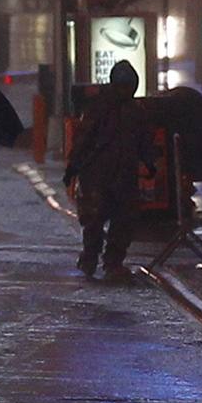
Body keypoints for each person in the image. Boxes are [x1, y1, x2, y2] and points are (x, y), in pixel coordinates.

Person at [65, 61, 147, 276]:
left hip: (114, 175)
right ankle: (97, 259)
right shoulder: (104, 108)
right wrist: (73, 166)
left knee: (117, 220)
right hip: (102, 175)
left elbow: (142, 141)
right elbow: (84, 139)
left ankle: (108, 261)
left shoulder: (127, 110)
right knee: (98, 220)